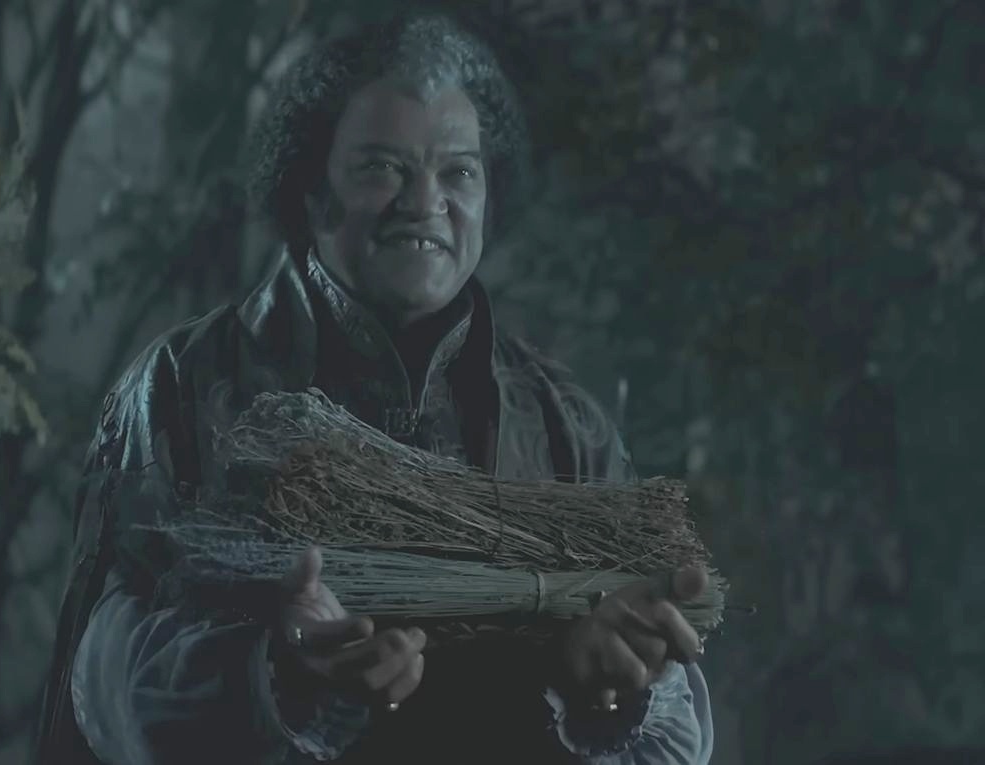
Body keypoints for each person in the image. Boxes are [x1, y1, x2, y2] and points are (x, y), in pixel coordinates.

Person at [35, 13, 714, 765]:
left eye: (458, 172)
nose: (425, 201)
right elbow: (102, 677)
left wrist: (613, 695)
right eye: (382, 167)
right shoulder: (185, 385)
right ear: (310, 190)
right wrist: (275, 674)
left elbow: (675, 742)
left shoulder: (566, 426)